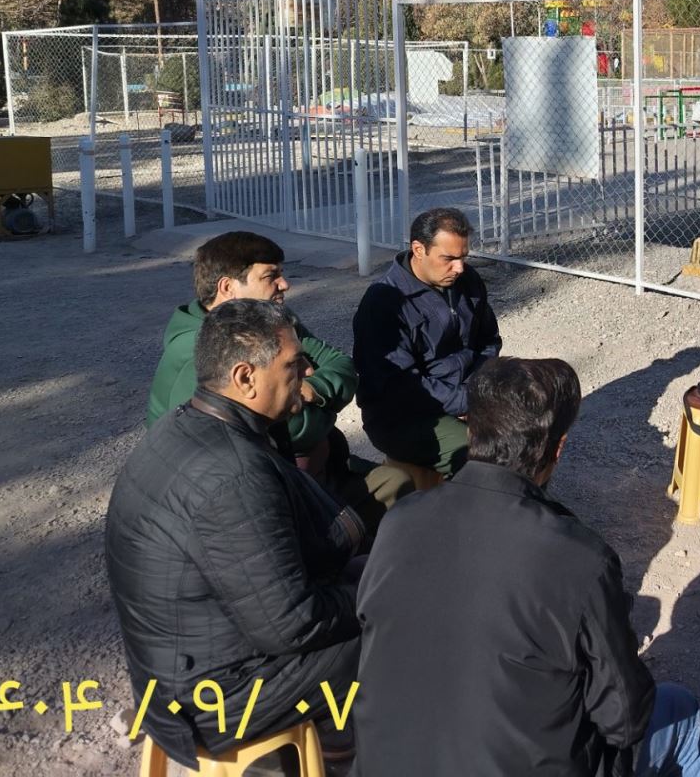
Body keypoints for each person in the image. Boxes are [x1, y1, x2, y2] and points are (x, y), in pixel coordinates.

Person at [353, 357, 700, 777]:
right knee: (679, 709)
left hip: (383, 764)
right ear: (557, 449)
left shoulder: (400, 520)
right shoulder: (581, 559)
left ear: (471, 431)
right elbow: (625, 720)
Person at [107, 300, 363, 769]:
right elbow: (293, 624)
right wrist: (376, 597)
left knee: (377, 578)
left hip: (178, 667)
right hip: (211, 700)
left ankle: (338, 741)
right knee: (398, 623)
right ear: (245, 377)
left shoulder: (185, 425)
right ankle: (360, 755)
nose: (307, 372)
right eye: (293, 365)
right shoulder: (235, 473)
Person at [145, 230, 390, 529]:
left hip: (307, 470)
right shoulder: (204, 349)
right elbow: (295, 432)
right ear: (227, 287)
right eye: (270, 276)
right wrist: (322, 410)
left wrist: (312, 390)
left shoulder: (270, 319)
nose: (285, 284)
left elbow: (341, 364)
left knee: (403, 491)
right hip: (250, 502)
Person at [352, 207, 501, 480]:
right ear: (418, 250)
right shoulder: (383, 303)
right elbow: (400, 385)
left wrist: (475, 391)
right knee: (489, 456)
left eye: (463, 257)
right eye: (449, 259)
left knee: (532, 431)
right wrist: (465, 401)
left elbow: (488, 341)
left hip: (465, 394)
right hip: (405, 416)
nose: (459, 268)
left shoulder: (467, 280)